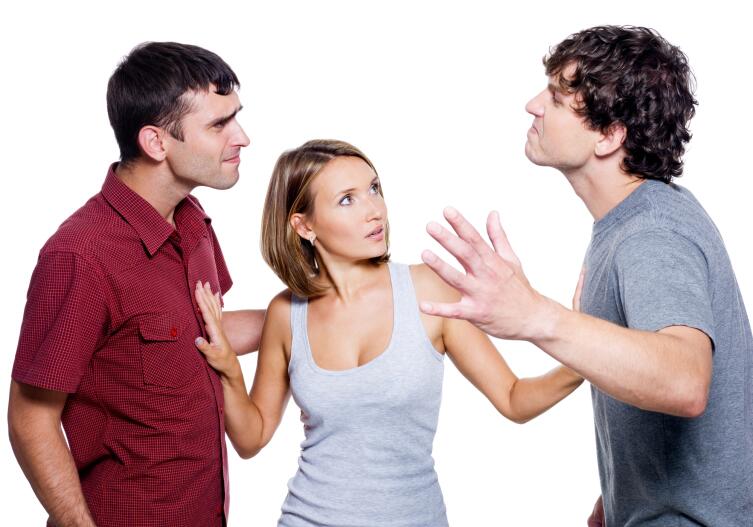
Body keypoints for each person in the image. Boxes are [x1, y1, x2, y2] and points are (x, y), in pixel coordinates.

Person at [420, 25, 753, 526]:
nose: (533, 105)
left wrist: (535, 315)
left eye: (556, 98)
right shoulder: (638, 218)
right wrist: (622, 498)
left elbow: (685, 380)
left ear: (608, 135)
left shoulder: (651, 232)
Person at [192, 139, 583, 526]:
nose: (374, 210)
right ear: (304, 225)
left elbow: (514, 399)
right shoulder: (286, 312)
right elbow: (252, 438)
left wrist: (585, 354)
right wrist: (229, 370)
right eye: (348, 199)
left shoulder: (429, 291)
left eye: (374, 189)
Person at [8, 42, 265, 527]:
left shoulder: (193, 223)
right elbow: (31, 417)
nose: (243, 138)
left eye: (236, 117)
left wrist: (309, 313)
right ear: (156, 142)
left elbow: (199, 335)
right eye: (219, 125)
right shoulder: (80, 256)